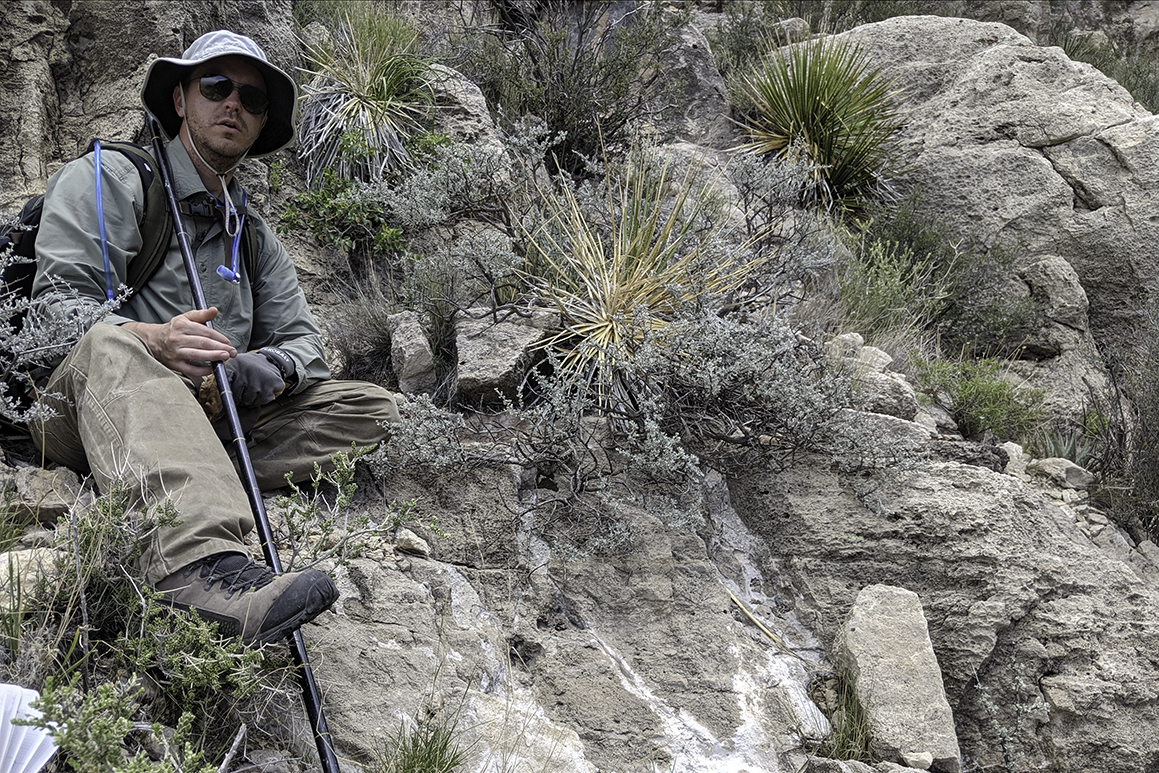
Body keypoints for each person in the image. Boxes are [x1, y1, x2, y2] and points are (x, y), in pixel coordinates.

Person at [29, 31, 399, 645]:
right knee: (111, 344)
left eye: (252, 99)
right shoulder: (111, 178)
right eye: (216, 86)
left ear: (261, 123)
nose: (233, 104)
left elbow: (305, 342)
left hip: (207, 412)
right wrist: (155, 340)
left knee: (370, 408)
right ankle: (203, 574)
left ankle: (176, 470)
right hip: (84, 403)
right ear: (180, 99)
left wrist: (268, 367)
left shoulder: (252, 235)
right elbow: (56, 313)